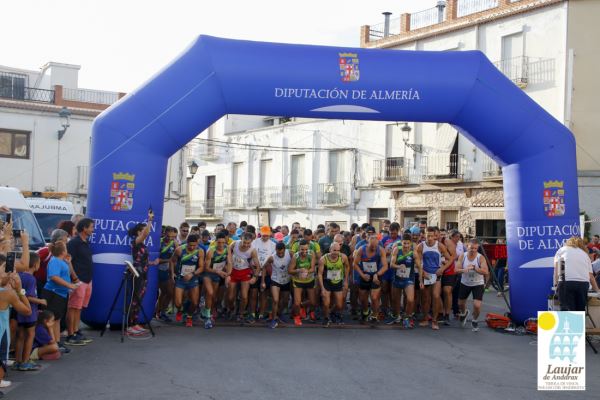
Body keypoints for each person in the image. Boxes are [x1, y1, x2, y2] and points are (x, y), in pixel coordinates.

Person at [127, 210, 159, 335]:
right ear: (138, 232)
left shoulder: (142, 245)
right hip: (137, 274)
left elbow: (142, 260)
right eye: (143, 230)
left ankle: (135, 323)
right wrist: (150, 220)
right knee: (135, 300)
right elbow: (146, 233)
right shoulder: (135, 242)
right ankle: (130, 325)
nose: (146, 232)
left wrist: (152, 263)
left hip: (144, 274)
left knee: (139, 300)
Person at [414, 227, 452, 330]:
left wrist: (442, 269)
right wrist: (423, 273)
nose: (430, 238)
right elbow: (418, 263)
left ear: (435, 236)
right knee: (426, 298)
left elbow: (450, 259)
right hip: (425, 275)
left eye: (432, 236)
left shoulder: (440, 246)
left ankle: (435, 320)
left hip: (436, 275)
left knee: (435, 296)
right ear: (425, 235)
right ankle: (426, 318)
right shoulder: (420, 247)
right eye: (428, 235)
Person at [0, 270, 31, 389]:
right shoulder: (7, 294)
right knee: (2, 358)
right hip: (1, 332)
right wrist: (19, 290)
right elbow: (28, 311)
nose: (6, 274)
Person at [14, 253, 46, 371]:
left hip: (19, 310)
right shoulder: (31, 279)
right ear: (35, 265)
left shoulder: (19, 275)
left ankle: (17, 361)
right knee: (30, 335)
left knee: (20, 336)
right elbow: (29, 296)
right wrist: (41, 300)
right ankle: (26, 361)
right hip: (30, 311)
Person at [65, 217, 94, 346]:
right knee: (73, 307)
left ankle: (76, 331)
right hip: (78, 280)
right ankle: (71, 334)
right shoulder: (73, 243)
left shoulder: (85, 242)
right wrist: (75, 278)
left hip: (87, 280)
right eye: (91, 227)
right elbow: (68, 261)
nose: (93, 229)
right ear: (84, 228)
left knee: (79, 307)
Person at [42, 241, 77, 347]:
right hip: (53, 293)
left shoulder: (62, 261)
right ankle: (51, 343)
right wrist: (69, 285)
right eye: (65, 248)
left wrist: (69, 262)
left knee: (57, 319)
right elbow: (53, 276)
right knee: (51, 319)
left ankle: (57, 342)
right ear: (63, 251)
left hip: (61, 294)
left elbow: (67, 273)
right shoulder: (55, 261)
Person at [554, 236, 600, 312]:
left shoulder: (562, 250)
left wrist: (556, 285)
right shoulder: (585, 255)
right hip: (583, 284)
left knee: (567, 312)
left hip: (566, 282)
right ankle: (578, 324)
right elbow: (591, 276)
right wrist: (597, 290)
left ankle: (571, 324)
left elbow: (558, 269)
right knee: (580, 311)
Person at [353, 229, 388, 323]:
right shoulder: (361, 249)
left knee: (374, 297)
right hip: (365, 276)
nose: (374, 248)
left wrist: (377, 274)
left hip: (376, 276)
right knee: (363, 299)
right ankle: (365, 312)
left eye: (375, 246)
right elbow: (355, 264)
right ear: (367, 243)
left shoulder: (380, 250)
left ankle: (374, 315)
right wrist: (362, 275)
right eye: (372, 246)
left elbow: (385, 266)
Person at [225, 233, 260, 323]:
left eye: (248, 243)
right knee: (230, 297)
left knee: (244, 296)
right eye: (244, 242)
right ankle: (232, 309)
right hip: (233, 271)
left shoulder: (252, 250)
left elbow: (258, 266)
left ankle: (240, 313)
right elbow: (228, 248)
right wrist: (229, 259)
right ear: (241, 239)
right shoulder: (235, 243)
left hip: (245, 272)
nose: (246, 245)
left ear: (251, 241)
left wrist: (255, 277)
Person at [456, 239, 489, 332]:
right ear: (467, 247)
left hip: (477, 283)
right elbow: (456, 269)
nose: (473, 250)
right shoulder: (463, 256)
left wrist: (475, 268)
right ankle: (464, 313)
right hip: (465, 282)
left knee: (477, 305)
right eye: (471, 248)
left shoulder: (480, 257)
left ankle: (474, 320)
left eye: (475, 248)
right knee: (460, 303)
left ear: (477, 248)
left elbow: (485, 271)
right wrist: (464, 269)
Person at [171, 234, 204, 327]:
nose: (192, 247)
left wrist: (192, 274)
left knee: (194, 302)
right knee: (177, 303)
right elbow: (172, 261)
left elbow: (201, 267)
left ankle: (189, 316)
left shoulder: (200, 251)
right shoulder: (179, 250)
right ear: (187, 243)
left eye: (194, 245)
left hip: (193, 279)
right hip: (180, 278)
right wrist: (172, 274)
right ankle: (180, 311)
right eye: (190, 245)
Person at [387, 233, 418, 328]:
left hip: (409, 279)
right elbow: (391, 264)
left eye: (408, 243)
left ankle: (407, 317)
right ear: (401, 242)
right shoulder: (397, 250)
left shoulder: (413, 252)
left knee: (410, 299)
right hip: (397, 278)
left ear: (411, 243)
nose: (406, 245)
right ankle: (397, 316)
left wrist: (421, 279)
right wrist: (399, 266)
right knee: (395, 300)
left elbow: (419, 266)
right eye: (404, 243)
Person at [317, 242, 350, 326]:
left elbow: (347, 267)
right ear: (330, 250)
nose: (336, 252)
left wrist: (346, 281)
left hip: (338, 282)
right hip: (327, 282)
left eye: (338, 250)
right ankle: (326, 318)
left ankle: (332, 313)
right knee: (326, 303)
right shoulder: (323, 259)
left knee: (339, 304)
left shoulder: (343, 257)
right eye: (334, 250)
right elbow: (320, 274)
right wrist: (322, 288)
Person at [203, 232, 229, 329]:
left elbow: (229, 262)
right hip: (209, 274)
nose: (221, 245)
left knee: (213, 296)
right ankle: (207, 317)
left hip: (218, 275)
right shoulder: (211, 250)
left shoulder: (227, 248)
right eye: (219, 243)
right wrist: (218, 272)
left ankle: (207, 310)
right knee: (210, 293)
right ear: (215, 242)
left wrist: (228, 275)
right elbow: (206, 268)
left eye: (223, 242)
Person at [263, 242, 292, 329]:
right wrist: (262, 281)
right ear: (275, 250)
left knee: (285, 301)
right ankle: (274, 319)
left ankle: (279, 314)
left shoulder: (289, 253)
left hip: (286, 280)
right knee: (275, 300)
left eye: (282, 253)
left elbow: (295, 262)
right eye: (278, 252)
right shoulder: (272, 257)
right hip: (275, 280)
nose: (280, 254)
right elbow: (264, 267)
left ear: (284, 250)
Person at [250, 226, 276, 321]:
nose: (265, 237)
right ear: (260, 234)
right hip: (255, 270)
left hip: (266, 272)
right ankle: (252, 313)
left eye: (267, 236)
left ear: (270, 235)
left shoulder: (273, 245)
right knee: (253, 293)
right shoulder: (255, 242)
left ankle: (261, 313)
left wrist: (265, 266)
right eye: (263, 235)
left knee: (263, 293)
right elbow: (250, 256)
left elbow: (272, 260)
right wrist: (254, 268)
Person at [289, 239, 317, 326]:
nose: (304, 251)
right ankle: (297, 317)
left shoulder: (311, 254)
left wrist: (306, 272)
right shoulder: (295, 256)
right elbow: (290, 270)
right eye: (302, 249)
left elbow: (313, 268)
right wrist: (298, 270)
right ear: (298, 249)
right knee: (296, 302)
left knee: (313, 302)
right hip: (298, 280)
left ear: (308, 248)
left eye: (306, 249)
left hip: (309, 280)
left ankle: (311, 312)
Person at [35, 229, 69, 297]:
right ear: (59, 241)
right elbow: (30, 261)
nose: (66, 243)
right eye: (65, 241)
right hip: (40, 284)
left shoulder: (62, 253)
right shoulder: (46, 251)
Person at [156, 226, 177, 322]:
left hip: (168, 271)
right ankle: (158, 311)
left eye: (172, 237)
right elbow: (156, 260)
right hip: (157, 271)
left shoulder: (175, 243)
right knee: (162, 292)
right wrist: (168, 260)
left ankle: (162, 311)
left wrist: (173, 272)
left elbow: (175, 259)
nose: (170, 238)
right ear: (164, 234)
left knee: (169, 293)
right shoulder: (158, 242)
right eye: (168, 236)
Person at [440, 229, 459, 325]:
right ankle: (439, 313)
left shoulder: (447, 242)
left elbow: (454, 256)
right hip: (436, 270)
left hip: (449, 270)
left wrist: (446, 261)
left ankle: (447, 315)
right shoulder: (428, 242)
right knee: (437, 293)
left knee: (447, 291)